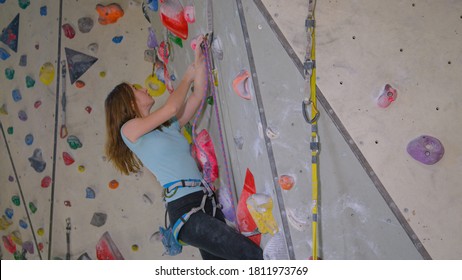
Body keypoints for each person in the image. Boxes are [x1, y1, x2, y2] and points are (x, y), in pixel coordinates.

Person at [104, 36, 263, 260]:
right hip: (185, 211)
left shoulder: (166, 127)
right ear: (129, 103)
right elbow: (171, 108)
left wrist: (197, 62)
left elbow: (197, 96)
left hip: (205, 201)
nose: (144, 89)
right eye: (136, 89)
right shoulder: (128, 130)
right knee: (247, 253)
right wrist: (188, 75)